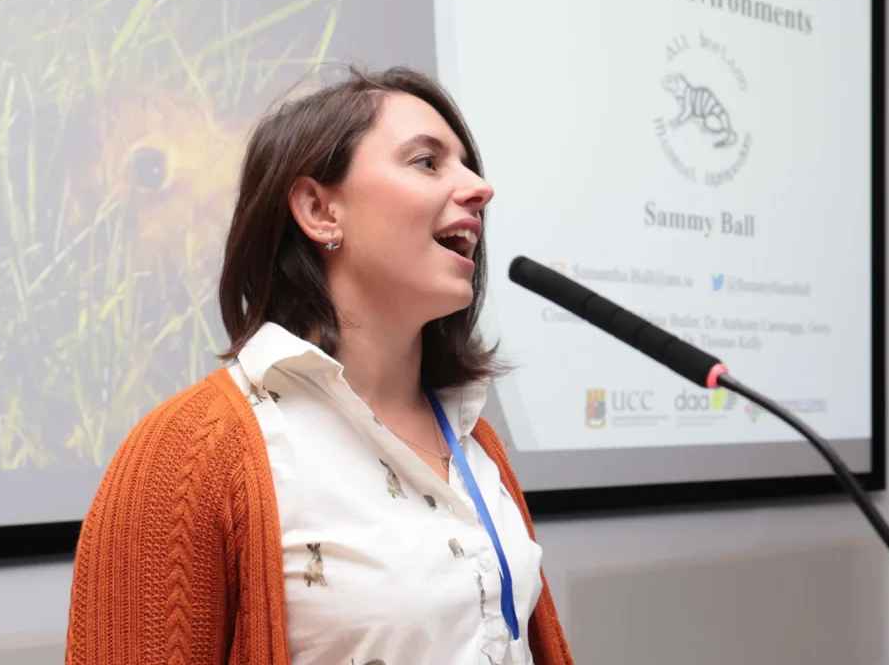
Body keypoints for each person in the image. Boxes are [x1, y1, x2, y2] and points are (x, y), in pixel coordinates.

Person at [64, 66, 574, 665]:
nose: (479, 188)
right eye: (426, 162)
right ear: (318, 210)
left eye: (469, 165)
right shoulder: (186, 455)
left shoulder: (475, 439)